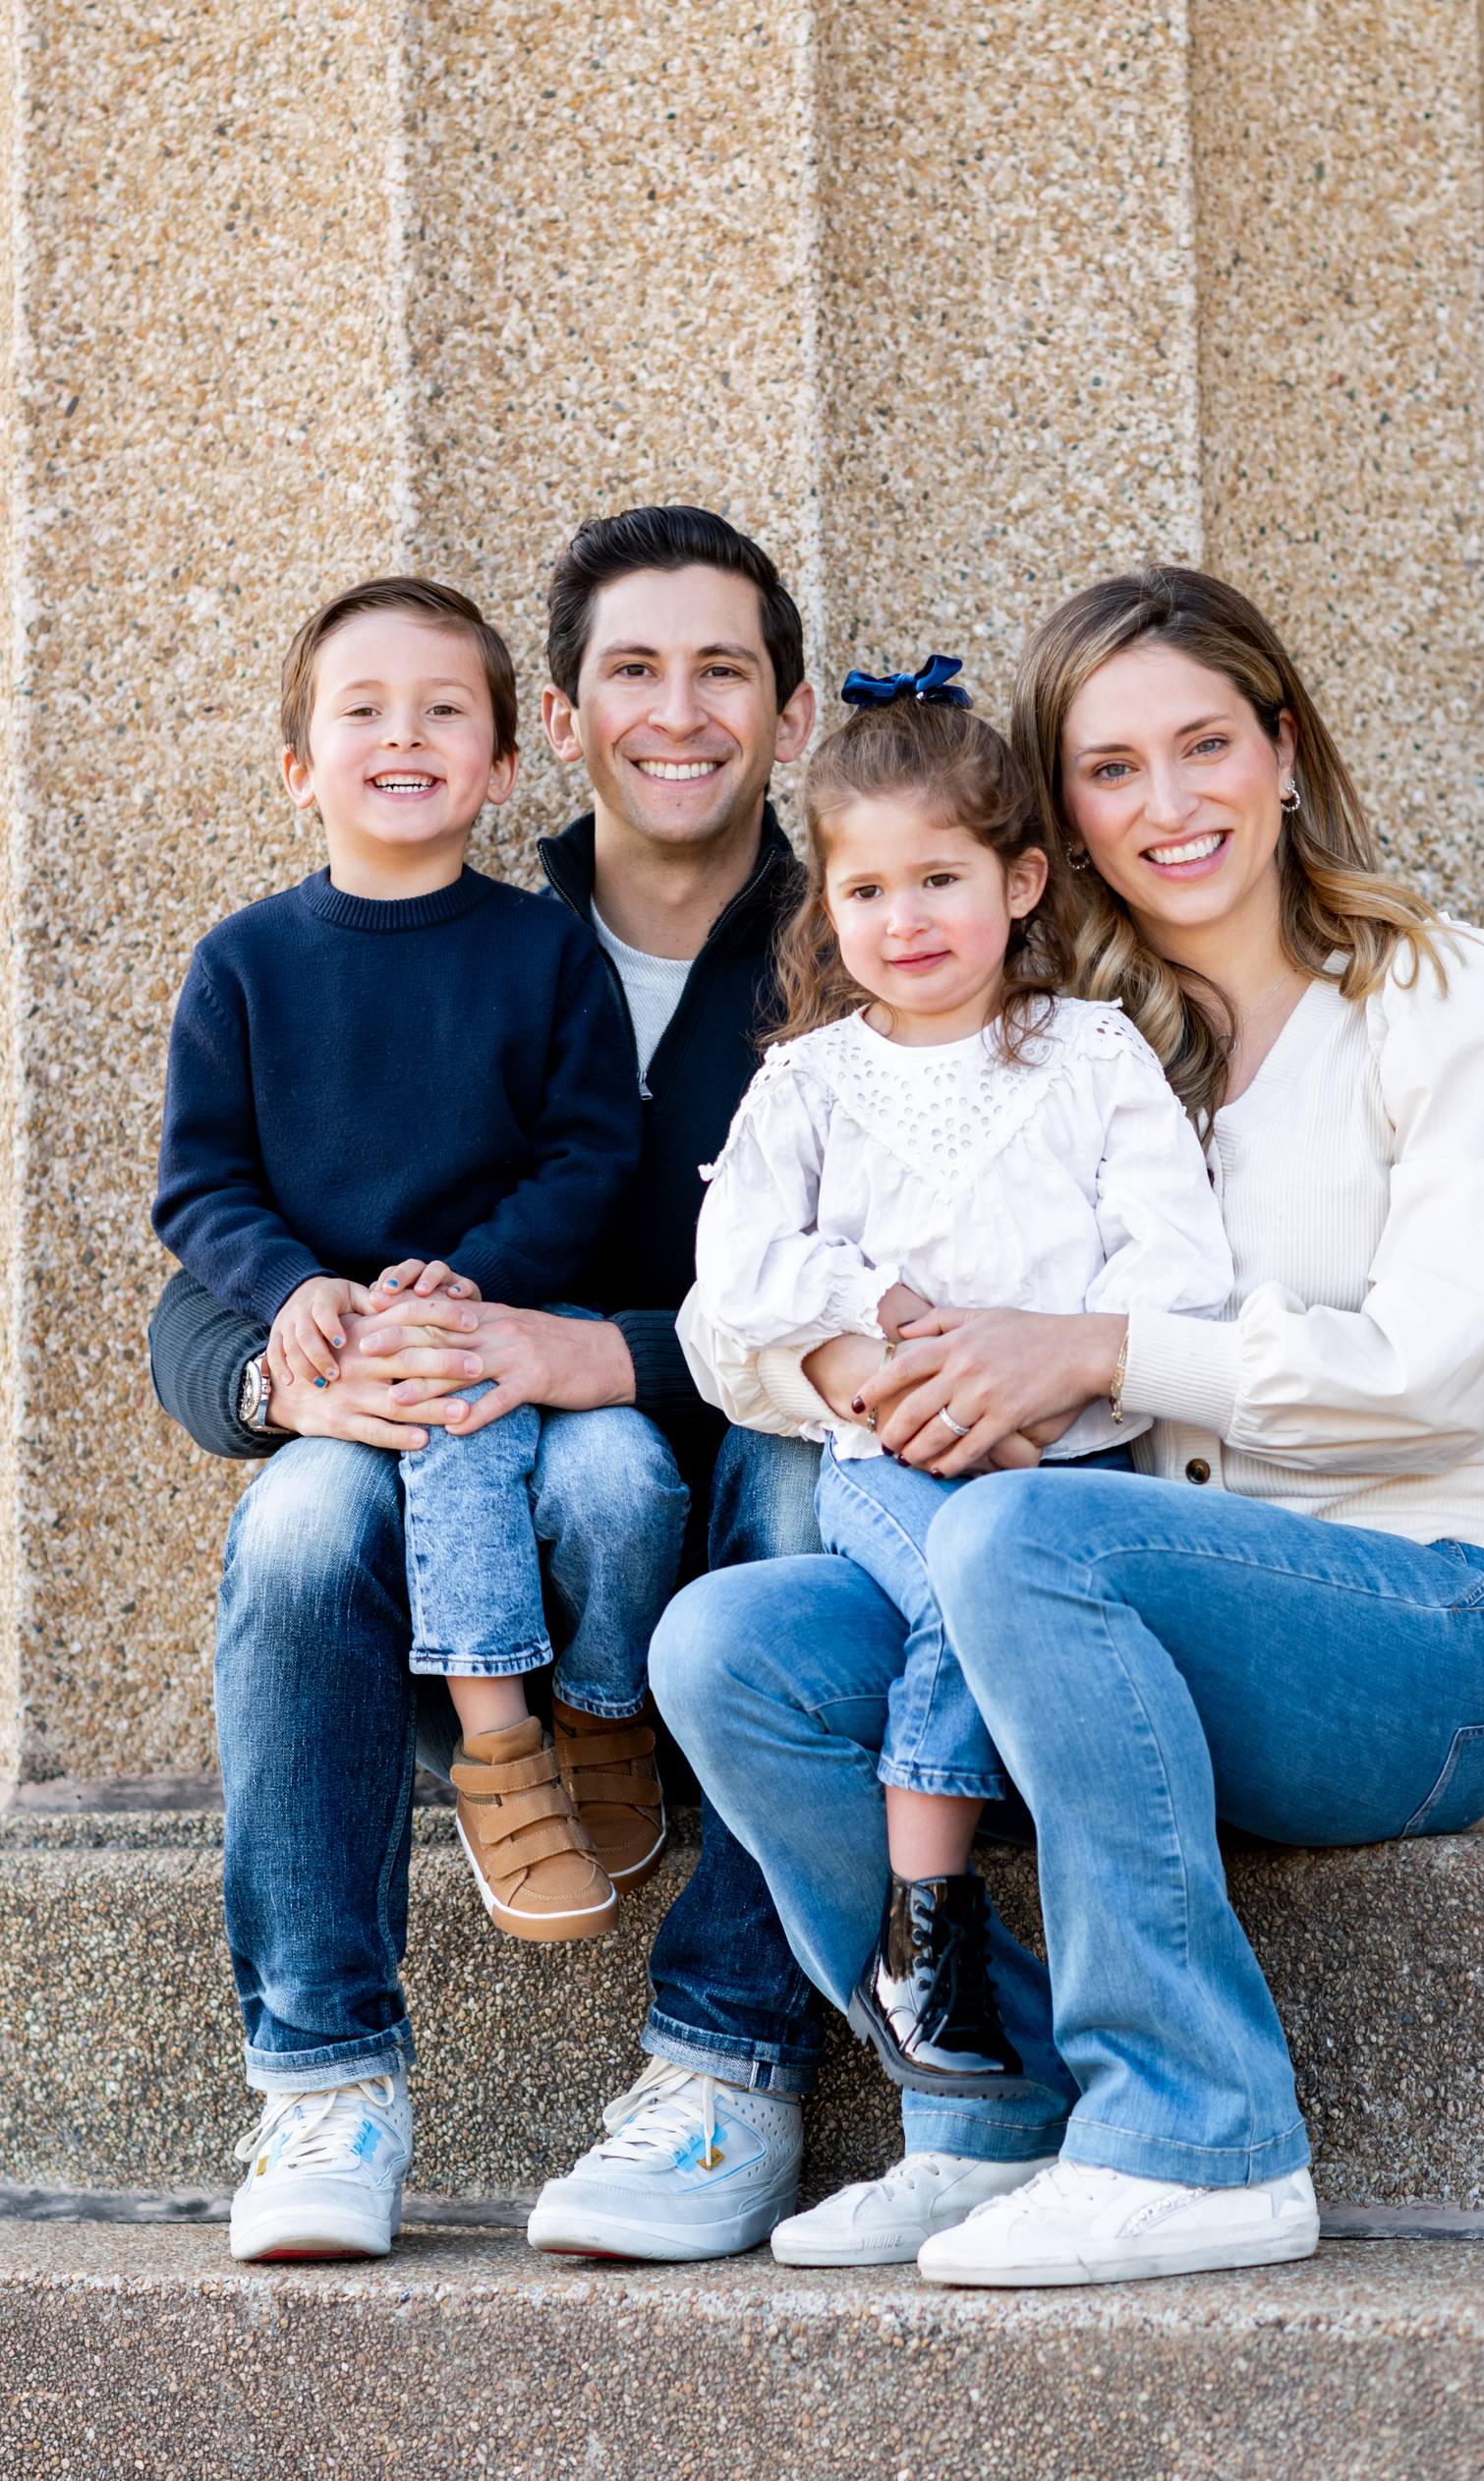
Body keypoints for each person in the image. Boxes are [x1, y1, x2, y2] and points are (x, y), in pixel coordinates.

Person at [652, 565, 1484, 2281]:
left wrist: (1096, 1349)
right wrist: (855, 1374)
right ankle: (989, 2108)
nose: (1168, 803)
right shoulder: (1052, 1032)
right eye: (1110, 768)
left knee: (1021, 1535)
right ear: (1057, 819)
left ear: (1280, 748)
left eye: (1204, 745)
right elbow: (730, 1316)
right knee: (730, 1646)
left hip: (1416, 1629)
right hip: (1095, 1609)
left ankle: (1204, 2134)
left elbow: (1443, 1362)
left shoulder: (1443, 994)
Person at [148, 507, 842, 2265]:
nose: (677, 714)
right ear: (567, 710)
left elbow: (921, 1298)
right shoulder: (440, 925)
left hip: (692, 1512)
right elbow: (197, 1261)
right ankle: (324, 2079)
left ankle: (726, 2071)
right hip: (431, 1525)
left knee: (802, 1490)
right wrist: (284, 1378)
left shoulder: (873, 943)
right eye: (634, 670)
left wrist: (588, 1349)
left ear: (795, 712)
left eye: (722, 673)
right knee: (298, 1523)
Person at [684, 658, 1230, 2107]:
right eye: (864, 894)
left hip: (1073, 1471)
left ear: (1026, 880)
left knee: (1003, 1587)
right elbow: (732, 1280)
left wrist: (1045, 1394)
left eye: (939, 880)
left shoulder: (1089, 1056)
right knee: (964, 1598)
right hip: (889, 1463)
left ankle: (935, 1953)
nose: (904, 921)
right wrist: (869, 1324)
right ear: (826, 908)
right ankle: (931, 1928)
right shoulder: (805, 1086)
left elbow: (1175, 1274)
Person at [154, 574, 654, 1978]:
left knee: (621, 1484)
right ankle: (500, 1756)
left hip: (515, 1323)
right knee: (433, 1434)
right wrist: (295, 1288)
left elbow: (586, 1157)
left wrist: (478, 1285)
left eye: (446, 710)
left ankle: (604, 1716)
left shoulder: (545, 951)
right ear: (300, 768)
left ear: (501, 764)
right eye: (363, 710)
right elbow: (200, 1186)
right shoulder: (244, 965)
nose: (406, 734)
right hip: (350, 1357)